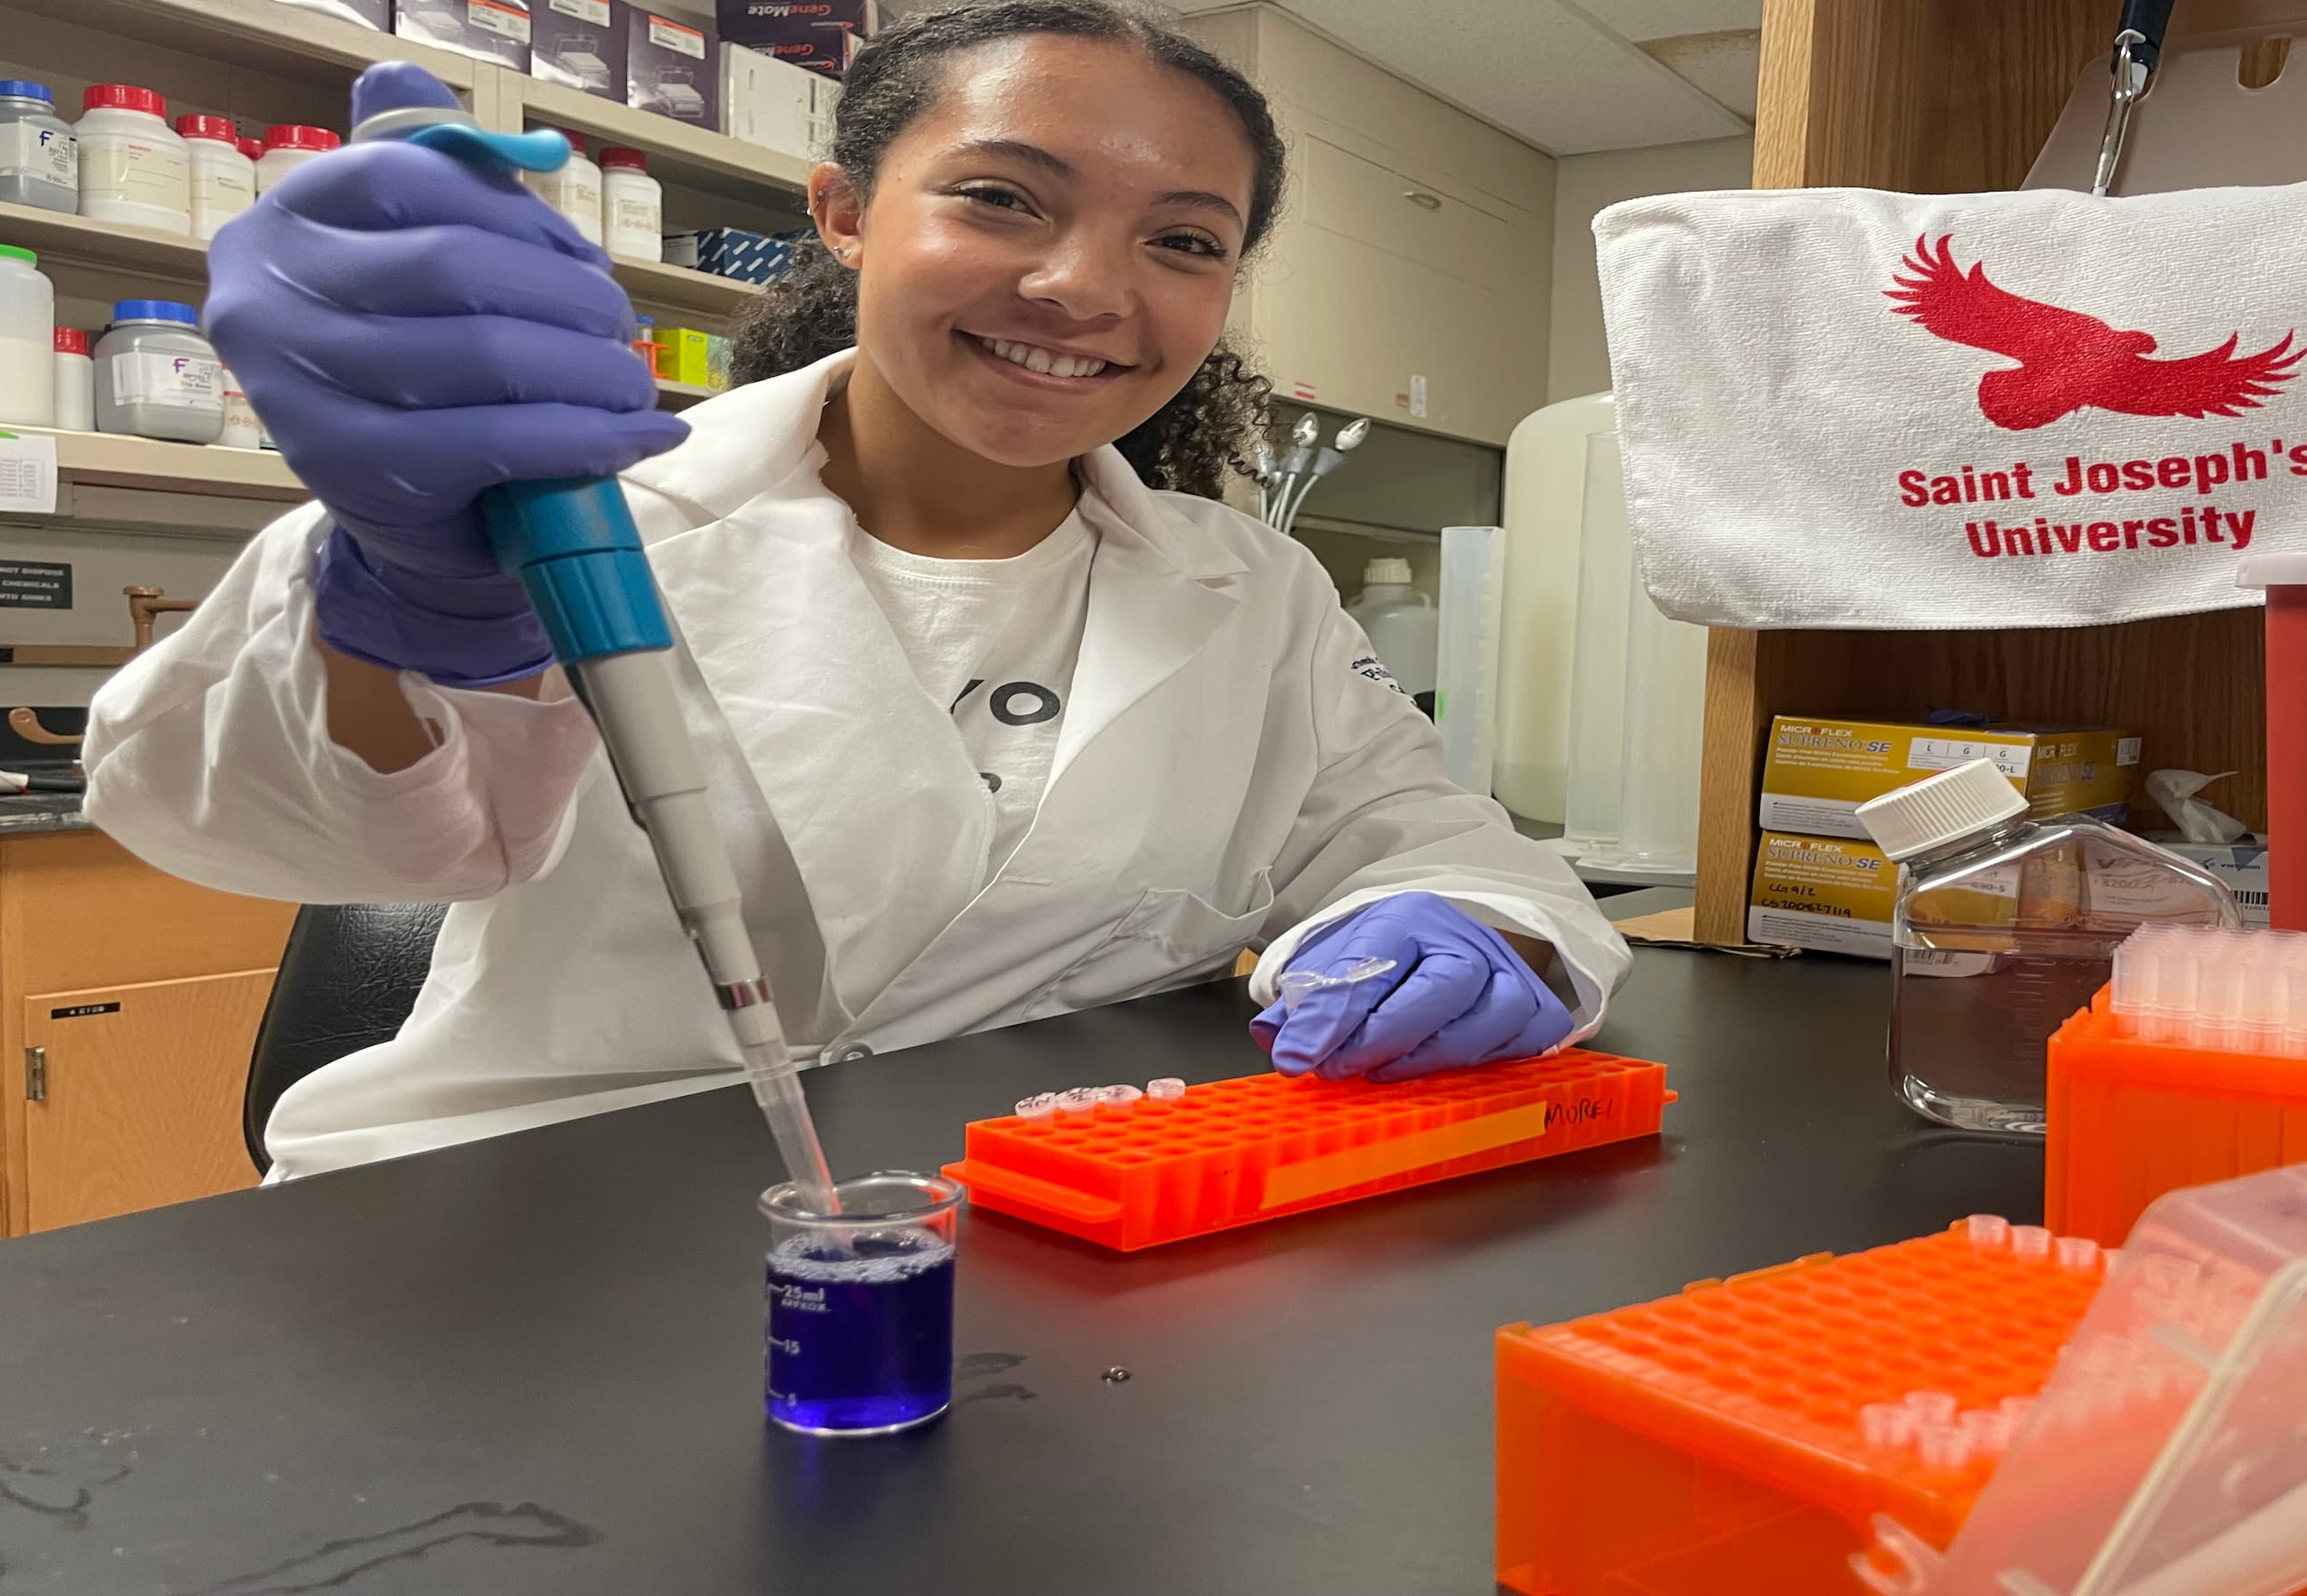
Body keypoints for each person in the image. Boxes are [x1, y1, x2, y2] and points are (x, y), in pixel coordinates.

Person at [83, 2, 1629, 1179]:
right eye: (1005, 200)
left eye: (1181, 240)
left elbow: (1437, 843)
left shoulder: (1251, 590)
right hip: (535, 1216)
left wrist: (1474, 925)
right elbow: (261, 824)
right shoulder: (586, 508)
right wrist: (399, 603)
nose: (1088, 287)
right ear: (843, 212)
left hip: (1035, 1220)